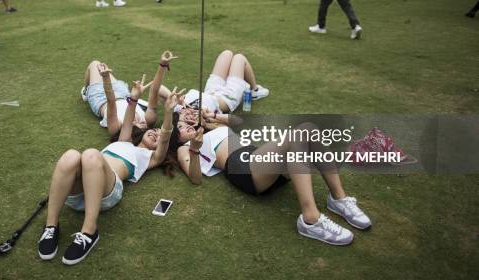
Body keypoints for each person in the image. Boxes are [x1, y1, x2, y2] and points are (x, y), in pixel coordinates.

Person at [37, 82, 179, 265]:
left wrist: (168, 113)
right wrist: (134, 97)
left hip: (107, 192)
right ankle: (51, 227)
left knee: (90, 155)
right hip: (80, 191)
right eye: (154, 130)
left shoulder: (150, 157)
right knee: (70, 156)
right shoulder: (124, 141)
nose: (156, 133)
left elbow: (166, 136)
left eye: (159, 136)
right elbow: (128, 120)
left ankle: (89, 232)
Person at [173, 121, 371, 246]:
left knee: (309, 129)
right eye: (180, 128)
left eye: (185, 122)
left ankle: (339, 198)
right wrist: (195, 149)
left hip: (257, 158)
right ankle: (310, 219)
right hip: (242, 167)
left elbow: (239, 122)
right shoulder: (185, 148)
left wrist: (215, 117)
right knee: (300, 133)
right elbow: (195, 178)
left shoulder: (211, 128)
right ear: (177, 139)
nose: (186, 126)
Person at [81, 51, 177, 135]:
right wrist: (163, 65)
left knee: (95, 64)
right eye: (144, 127)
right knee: (100, 66)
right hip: (125, 95)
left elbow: (111, 102)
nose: (142, 123)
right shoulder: (148, 119)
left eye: (136, 126)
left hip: (102, 98)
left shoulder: (116, 128)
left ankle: (86, 92)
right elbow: (154, 90)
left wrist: (106, 78)